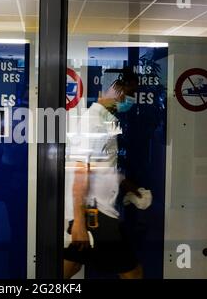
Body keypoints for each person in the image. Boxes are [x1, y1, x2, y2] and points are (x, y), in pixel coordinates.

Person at [64, 73, 152, 279]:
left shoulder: (106, 121)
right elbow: (80, 170)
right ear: (117, 91)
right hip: (96, 215)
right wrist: (78, 222)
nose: (131, 99)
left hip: (94, 212)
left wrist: (132, 189)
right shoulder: (92, 123)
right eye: (130, 93)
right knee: (133, 273)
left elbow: (104, 167)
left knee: (71, 266)